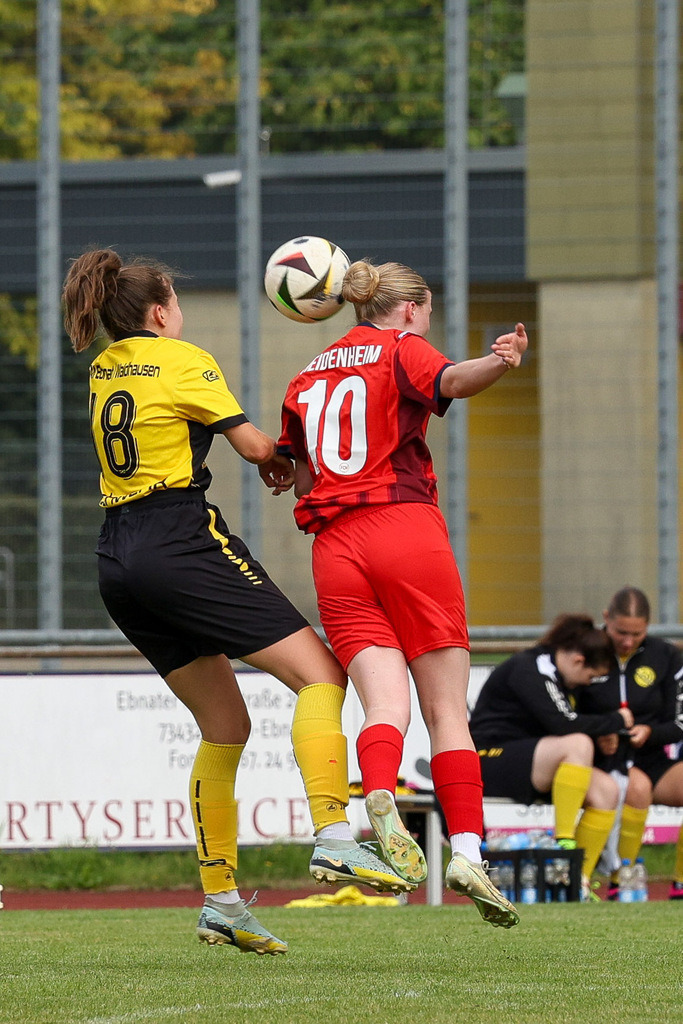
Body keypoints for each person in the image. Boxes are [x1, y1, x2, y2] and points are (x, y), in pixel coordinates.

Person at [62, 248, 409, 957]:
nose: (180, 315)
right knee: (322, 674)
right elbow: (254, 447)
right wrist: (288, 455)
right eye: (175, 305)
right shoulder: (183, 358)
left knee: (224, 726)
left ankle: (221, 900)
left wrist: (265, 454)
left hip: (116, 559)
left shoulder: (104, 368)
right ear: (161, 312)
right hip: (177, 541)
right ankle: (334, 835)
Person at [272, 258, 527, 928]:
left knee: (383, 702)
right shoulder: (401, 347)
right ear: (409, 308)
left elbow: (297, 479)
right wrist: (499, 361)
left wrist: (293, 473)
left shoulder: (309, 373)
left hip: (333, 547)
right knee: (447, 711)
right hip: (401, 528)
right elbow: (449, 380)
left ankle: (378, 796)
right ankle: (468, 850)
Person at [468, 613, 634, 897]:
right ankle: (563, 846)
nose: (586, 683)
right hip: (487, 758)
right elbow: (563, 723)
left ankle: (575, 883)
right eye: (589, 677)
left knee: (607, 790)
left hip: (530, 761)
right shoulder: (531, 667)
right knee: (578, 743)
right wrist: (617, 721)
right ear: (578, 660)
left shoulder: (557, 672)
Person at [577, 586, 683, 900]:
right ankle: (618, 876)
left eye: (636, 634)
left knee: (642, 782)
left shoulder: (666, 656)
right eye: (620, 632)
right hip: (598, 759)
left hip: (649, 756)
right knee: (636, 787)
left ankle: (679, 883)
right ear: (606, 618)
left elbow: (678, 723)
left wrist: (650, 731)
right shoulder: (585, 651)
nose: (627, 641)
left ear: (648, 626)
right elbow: (565, 714)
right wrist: (599, 735)